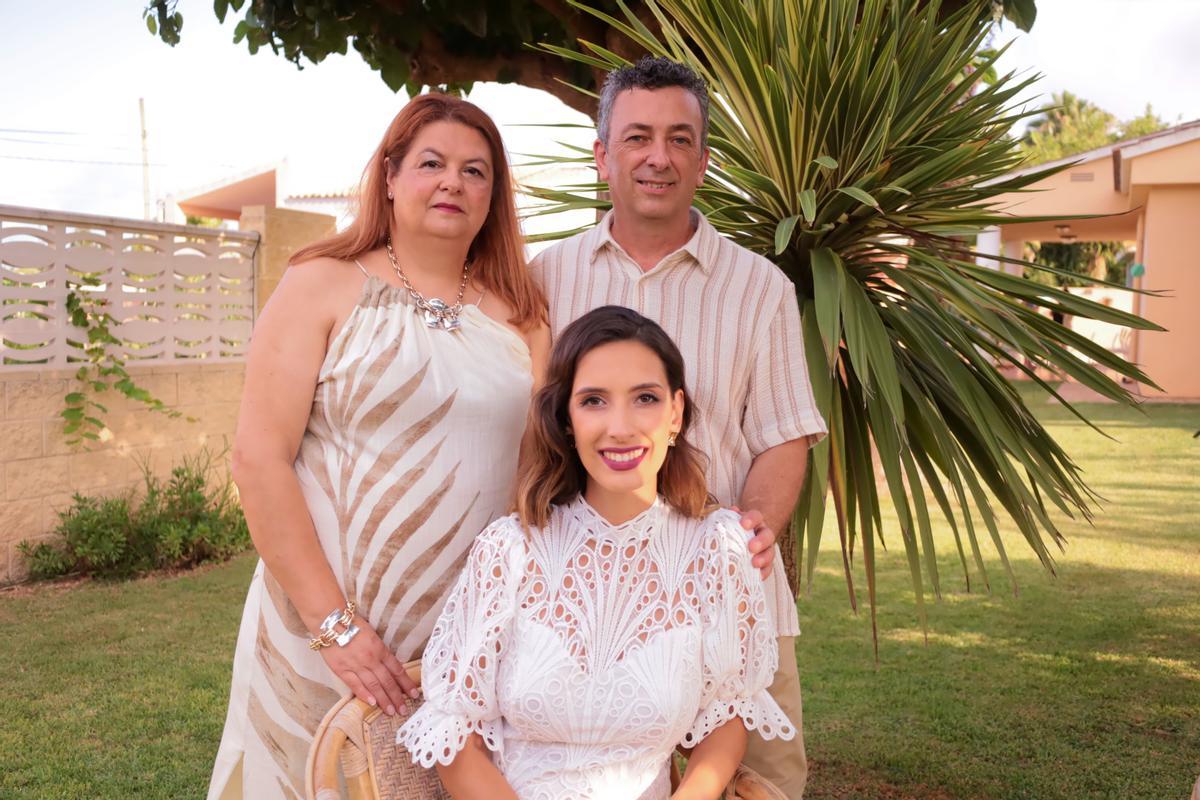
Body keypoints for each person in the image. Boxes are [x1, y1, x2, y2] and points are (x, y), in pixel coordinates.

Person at [206, 93, 551, 800]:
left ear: (494, 196)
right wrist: (334, 629)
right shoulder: (319, 284)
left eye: (475, 170)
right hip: (318, 631)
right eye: (432, 163)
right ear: (390, 177)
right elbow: (257, 460)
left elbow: (533, 482)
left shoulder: (524, 319)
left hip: (465, 638)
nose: (453, 182)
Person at [529, 57, 827, 797]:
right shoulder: (543, 278)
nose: (657, 157)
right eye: (636, 137)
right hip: (581, 610)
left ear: (704, 158)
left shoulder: (762, 287)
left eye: (678, 138)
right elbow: (535, 430)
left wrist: (751, 531)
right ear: (603, 156)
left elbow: (785, 433)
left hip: (728, 606)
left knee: (760, 786)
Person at [398, 305, 795, 799]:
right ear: (565, 419)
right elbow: (455, 732)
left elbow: (725, 714)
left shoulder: (717, 549)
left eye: (644, 398)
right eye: (593, 401)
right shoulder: (510, 549)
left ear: (675, 412)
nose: (620, 427)